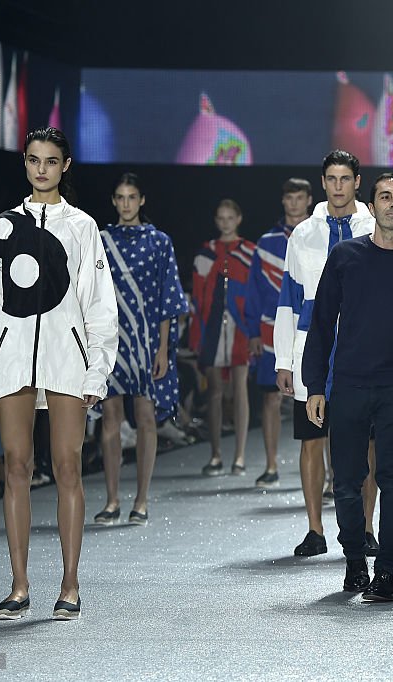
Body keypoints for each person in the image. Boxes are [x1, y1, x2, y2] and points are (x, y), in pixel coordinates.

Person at [0, 127, 119, 620]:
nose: (41, 169)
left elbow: (99, 304)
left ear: (65, 166)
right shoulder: (3, 226)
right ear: (26, 163)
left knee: (68, 467)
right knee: (16, 467)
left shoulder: (82, 226)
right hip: (12, 359)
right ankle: (18, 585)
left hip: (66, 358)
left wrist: (97, 370)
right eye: (34, 160)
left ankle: (70, 585)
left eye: (51, 161)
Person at [303, 172, 393, 602]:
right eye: (385, 196)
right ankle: (353, 563)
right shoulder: (346, 258)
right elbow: (322, 324)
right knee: (345, 481)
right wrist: (315, 385)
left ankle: (387, 572)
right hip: (347, 385)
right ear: (373, 204)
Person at [274, 150, 378, 557]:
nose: (337, 186)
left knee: (365, 442)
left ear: (356, 181)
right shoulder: (303, 234)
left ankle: (366, 527)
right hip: (312, 347)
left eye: (344, 178)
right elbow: (289, 297)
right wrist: (283, 359)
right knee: (312, 439)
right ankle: (315, 530)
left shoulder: (375, 228)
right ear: (323, 182)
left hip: (361, 348)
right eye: (331, 178)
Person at [94, 173, 186, 526]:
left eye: (132, 197)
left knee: (146, 418)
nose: (127, 203)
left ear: (142, 200)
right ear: (114, 201)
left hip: (148, 340)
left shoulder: (160, 241)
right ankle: (113, 499)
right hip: (110, 339)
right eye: (121, 197)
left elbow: (168, 297)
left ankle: (142, 499)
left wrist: (163, 348)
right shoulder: (100, 241)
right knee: (111, 419)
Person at [245, 178, 312, 488]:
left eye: (300, 198)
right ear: (283, 201)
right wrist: (253, 332)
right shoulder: (267, 241)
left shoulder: (319, 237)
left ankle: (322, 474)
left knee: (317, 399)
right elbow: (254, 290)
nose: (294, 203)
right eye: (290, 198)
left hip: (311, 331)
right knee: (270, 400)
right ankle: (271, 466)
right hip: (273, 332)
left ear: (309, 200)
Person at [191, 200, 255, 477]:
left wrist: (254, 330)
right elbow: (197, 296)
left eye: (230, 217)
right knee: (214, 391)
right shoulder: (206, 253)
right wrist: (196, 334)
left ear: (239, 218)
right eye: (221, 217)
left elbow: (255, 294)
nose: (226, 222)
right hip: (212, 327)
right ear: (216, 220)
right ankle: (215, 454)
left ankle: (239, 456)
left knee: (240, 389)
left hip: (241, 328)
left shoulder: (251, 252)